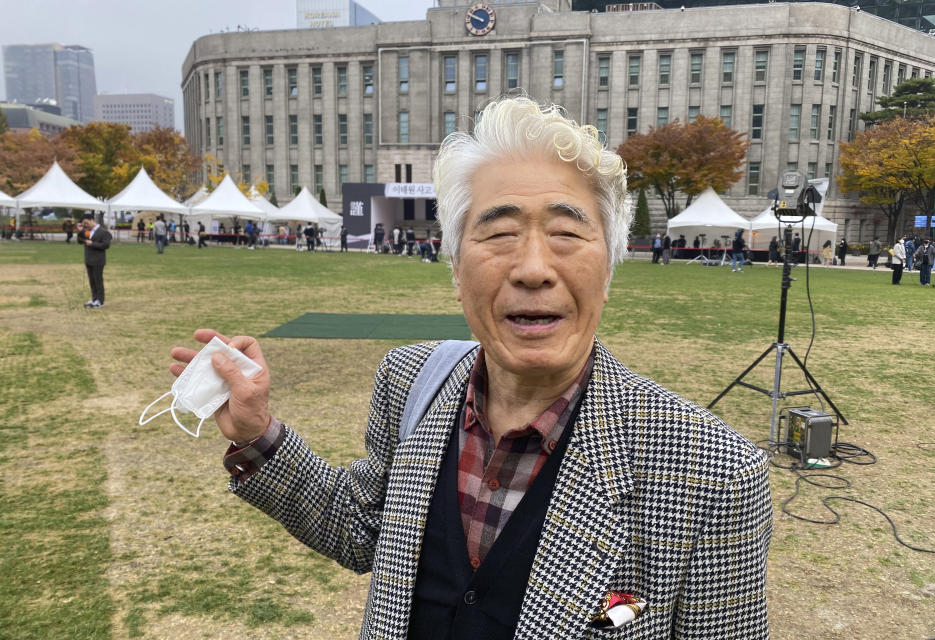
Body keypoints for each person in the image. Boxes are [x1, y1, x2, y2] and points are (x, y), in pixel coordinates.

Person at [169, 97, 772, 640]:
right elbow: (361, 529)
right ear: (456, 270)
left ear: (608, 271)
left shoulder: (714, 476)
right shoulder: (411, 382)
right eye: (500, 232)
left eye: (566, 232)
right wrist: (257, 433)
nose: (533, 267)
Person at [77, 212, 111, 308]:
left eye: (86, 223)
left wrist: (92, 244)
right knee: (92, 281)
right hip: (89, 260)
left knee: (98, 280)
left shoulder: (103, 232)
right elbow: (79, 241)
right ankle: (94, 299)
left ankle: (100, 301)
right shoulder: (86, 231)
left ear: (92, 220)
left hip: (98, 261)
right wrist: (80, 231)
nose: (85, 225)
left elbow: (106, 245)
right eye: (84, 223)